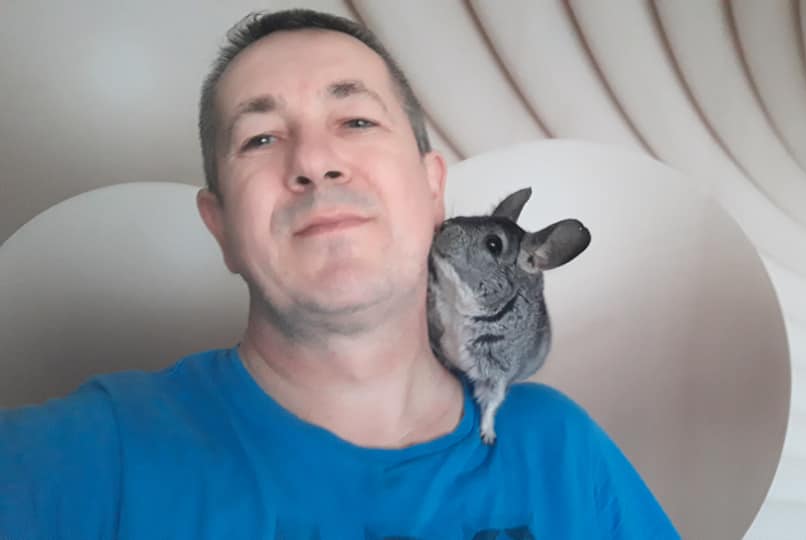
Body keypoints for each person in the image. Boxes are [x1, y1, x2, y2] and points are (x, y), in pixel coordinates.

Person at [0, 8, 679, 539]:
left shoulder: (561, 451)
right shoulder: (94, 456)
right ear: (221, 227)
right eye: (261, 138)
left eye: (355, 120)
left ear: (432, 190)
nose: (314, 161)